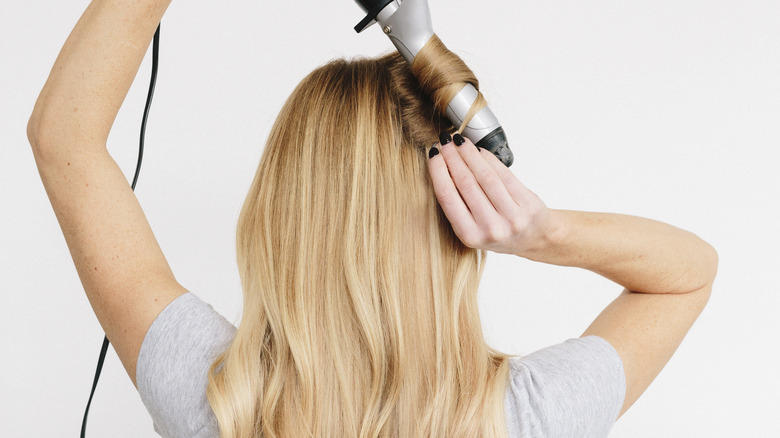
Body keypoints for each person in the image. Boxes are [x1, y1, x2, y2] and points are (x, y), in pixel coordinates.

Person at [27, 1, 718, 437]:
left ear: (278, 215)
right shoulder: (525, 418)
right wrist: (541, 234)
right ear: (454, 229)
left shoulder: (211, 400)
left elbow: (64, 139)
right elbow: (686, 275)